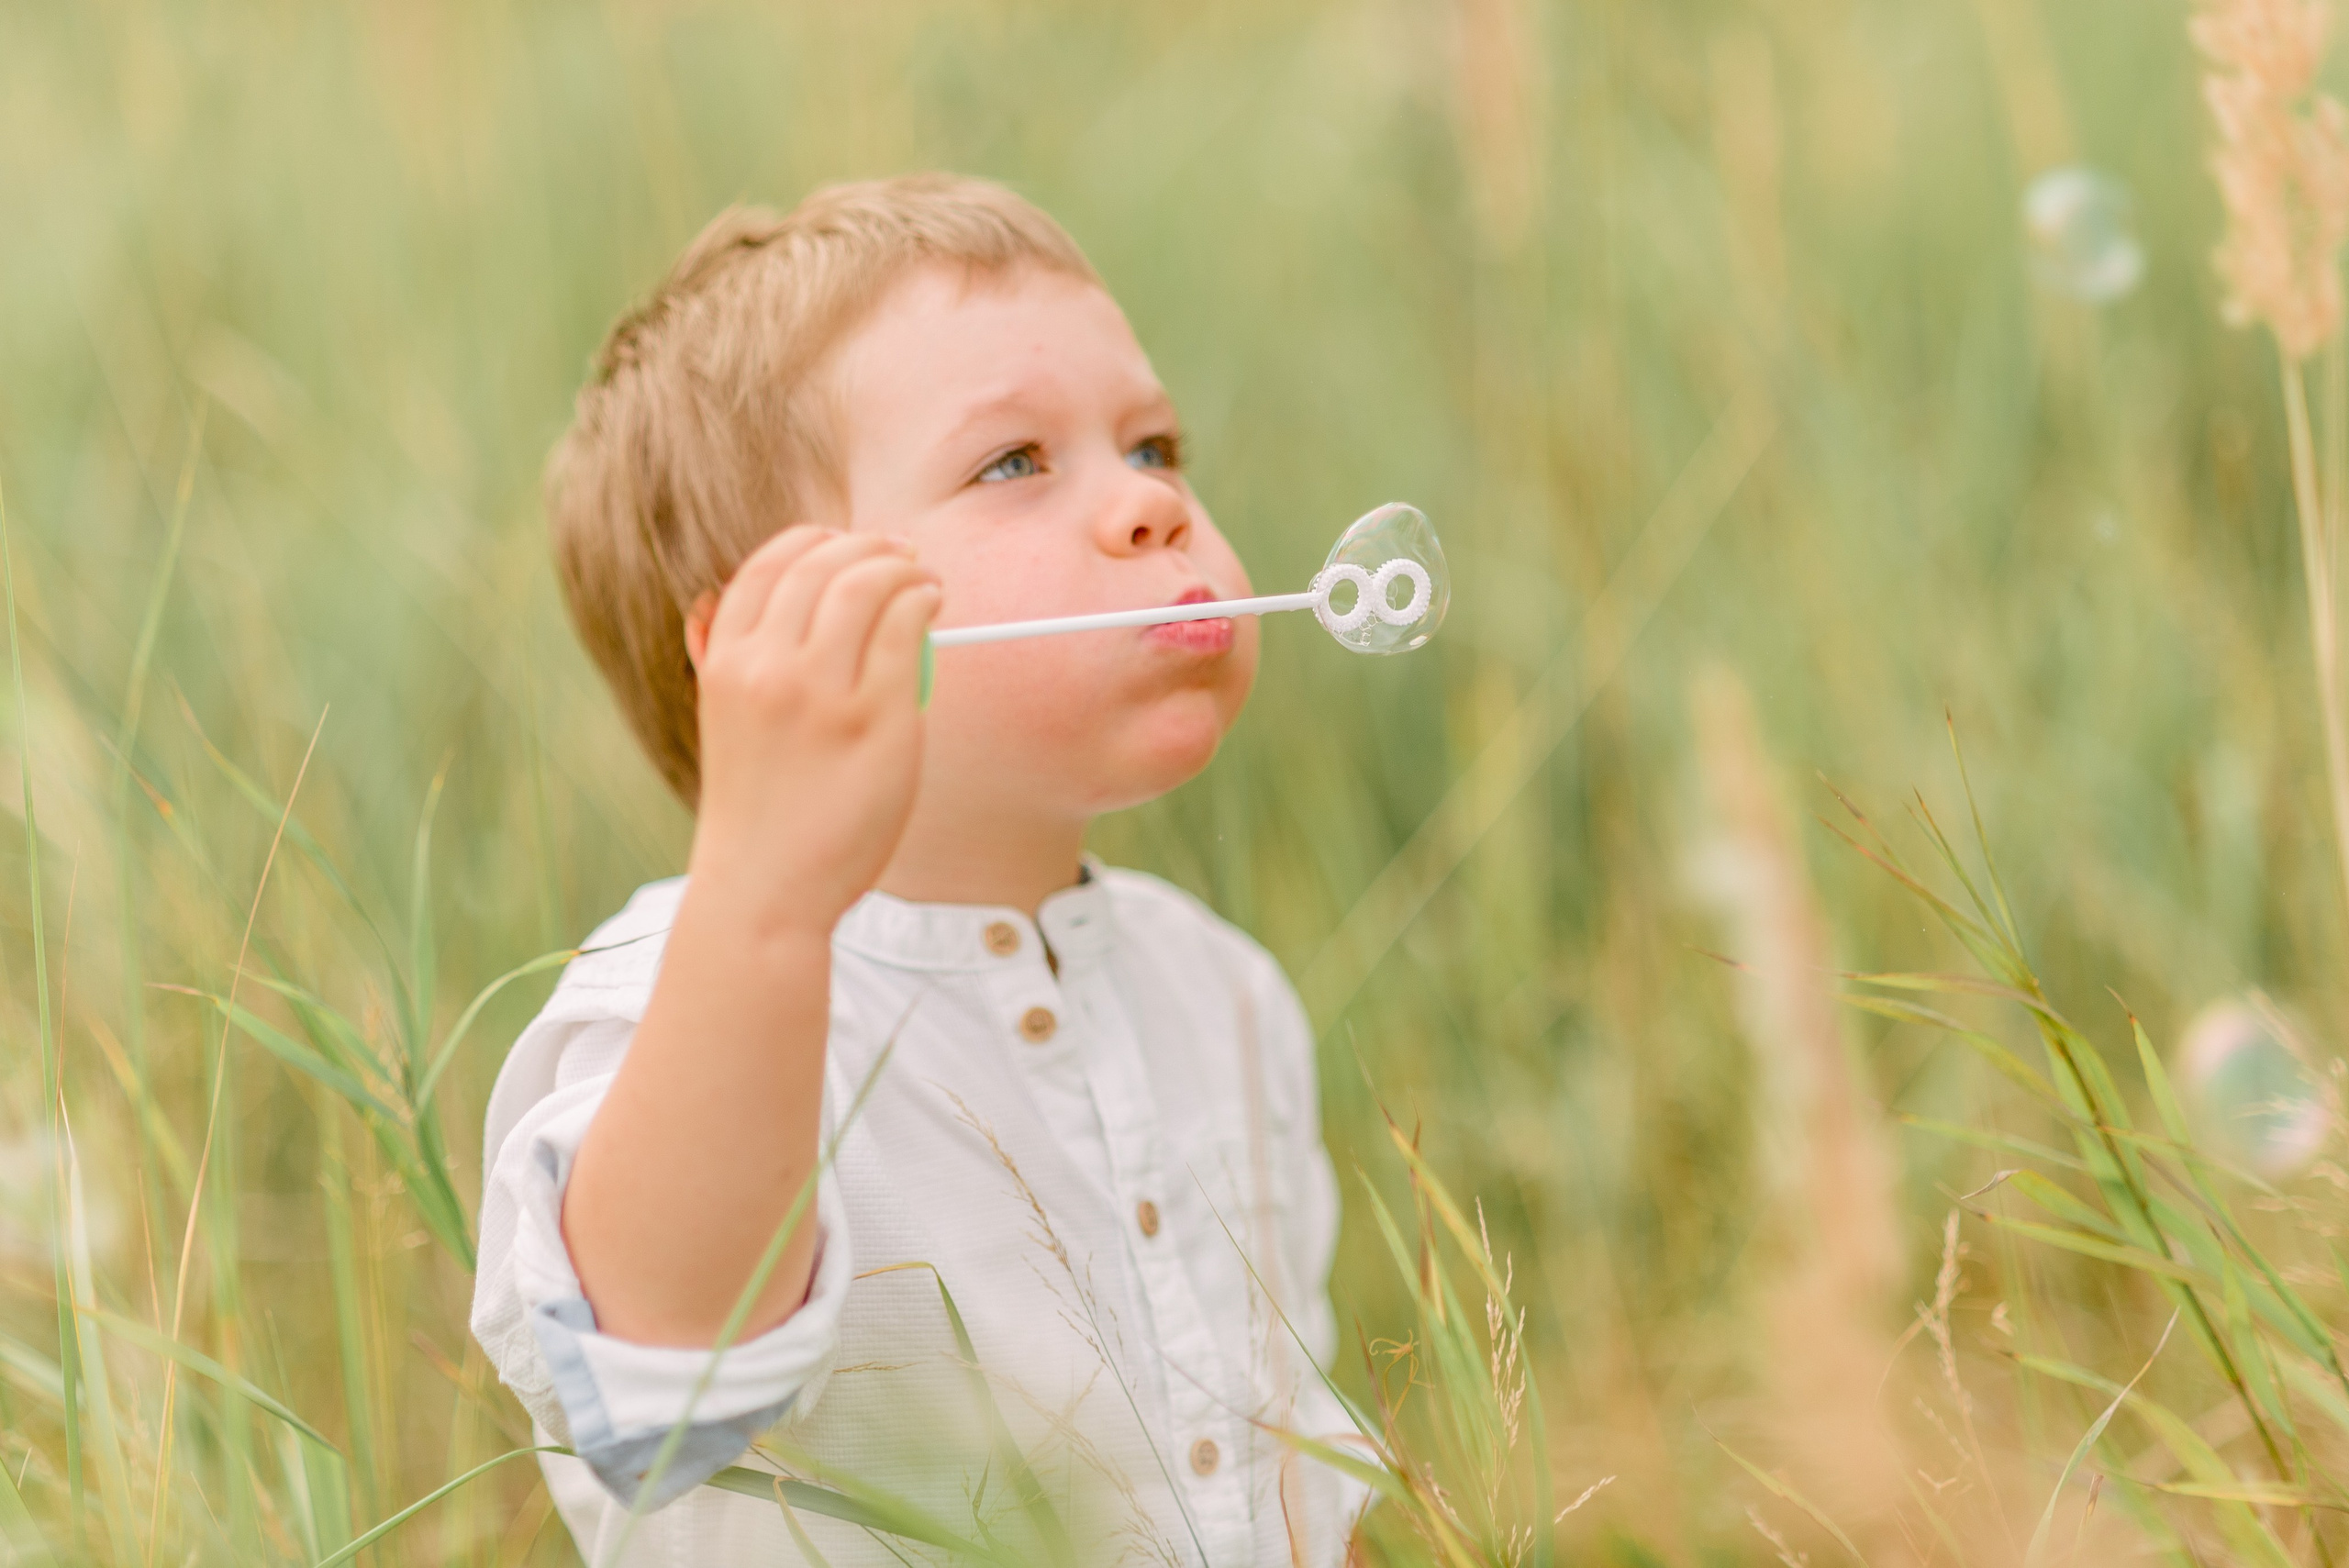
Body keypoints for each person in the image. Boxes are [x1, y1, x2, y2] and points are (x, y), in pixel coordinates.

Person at [472, 173, 1370, 1565]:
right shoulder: (687, 995)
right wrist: (763, 887)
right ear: (766, 645)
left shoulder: (1224, 994)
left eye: (1155, 442)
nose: (1148, 503)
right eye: (1013, 462)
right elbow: (663, 1390)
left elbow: (1291, 1473)